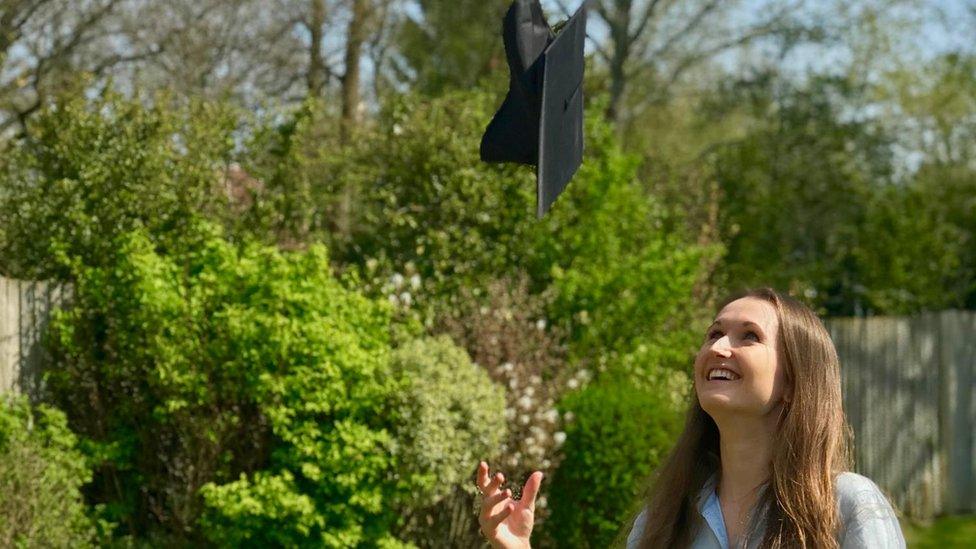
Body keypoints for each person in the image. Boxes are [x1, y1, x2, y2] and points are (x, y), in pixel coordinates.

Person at [475, 288, 906, 548]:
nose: (719, 348)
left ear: (795, 381)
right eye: (715, 333)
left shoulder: (846, 507)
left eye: (748, 337)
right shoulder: (661, 523)